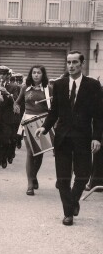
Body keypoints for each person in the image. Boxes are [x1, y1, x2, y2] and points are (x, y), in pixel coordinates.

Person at [35, 50, 103, 226]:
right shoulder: (59, 84)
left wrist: (97, 137)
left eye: (74, 62)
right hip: (63, 137)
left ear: (82, 64)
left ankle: (73, 200)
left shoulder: (93, 86)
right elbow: (54, 111)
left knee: (83, 175)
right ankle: (68, 213)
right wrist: (44, 127)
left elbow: (98, 115)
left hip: (83, 137)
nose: (71, 66)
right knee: (62, 177)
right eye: (68, 62)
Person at [14, 65, 52, 196]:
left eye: (39, 73)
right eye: (34, 73)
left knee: (39, 152)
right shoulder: (25, 88)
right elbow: (18, 102)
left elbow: (53, 107)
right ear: (31, 75)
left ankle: (34, 175)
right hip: (28, 121)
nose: (36, 75)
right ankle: (30, 184)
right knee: (30, 152)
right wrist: (16, 106)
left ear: (43, 75)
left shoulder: (48, 89)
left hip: (42, 122)